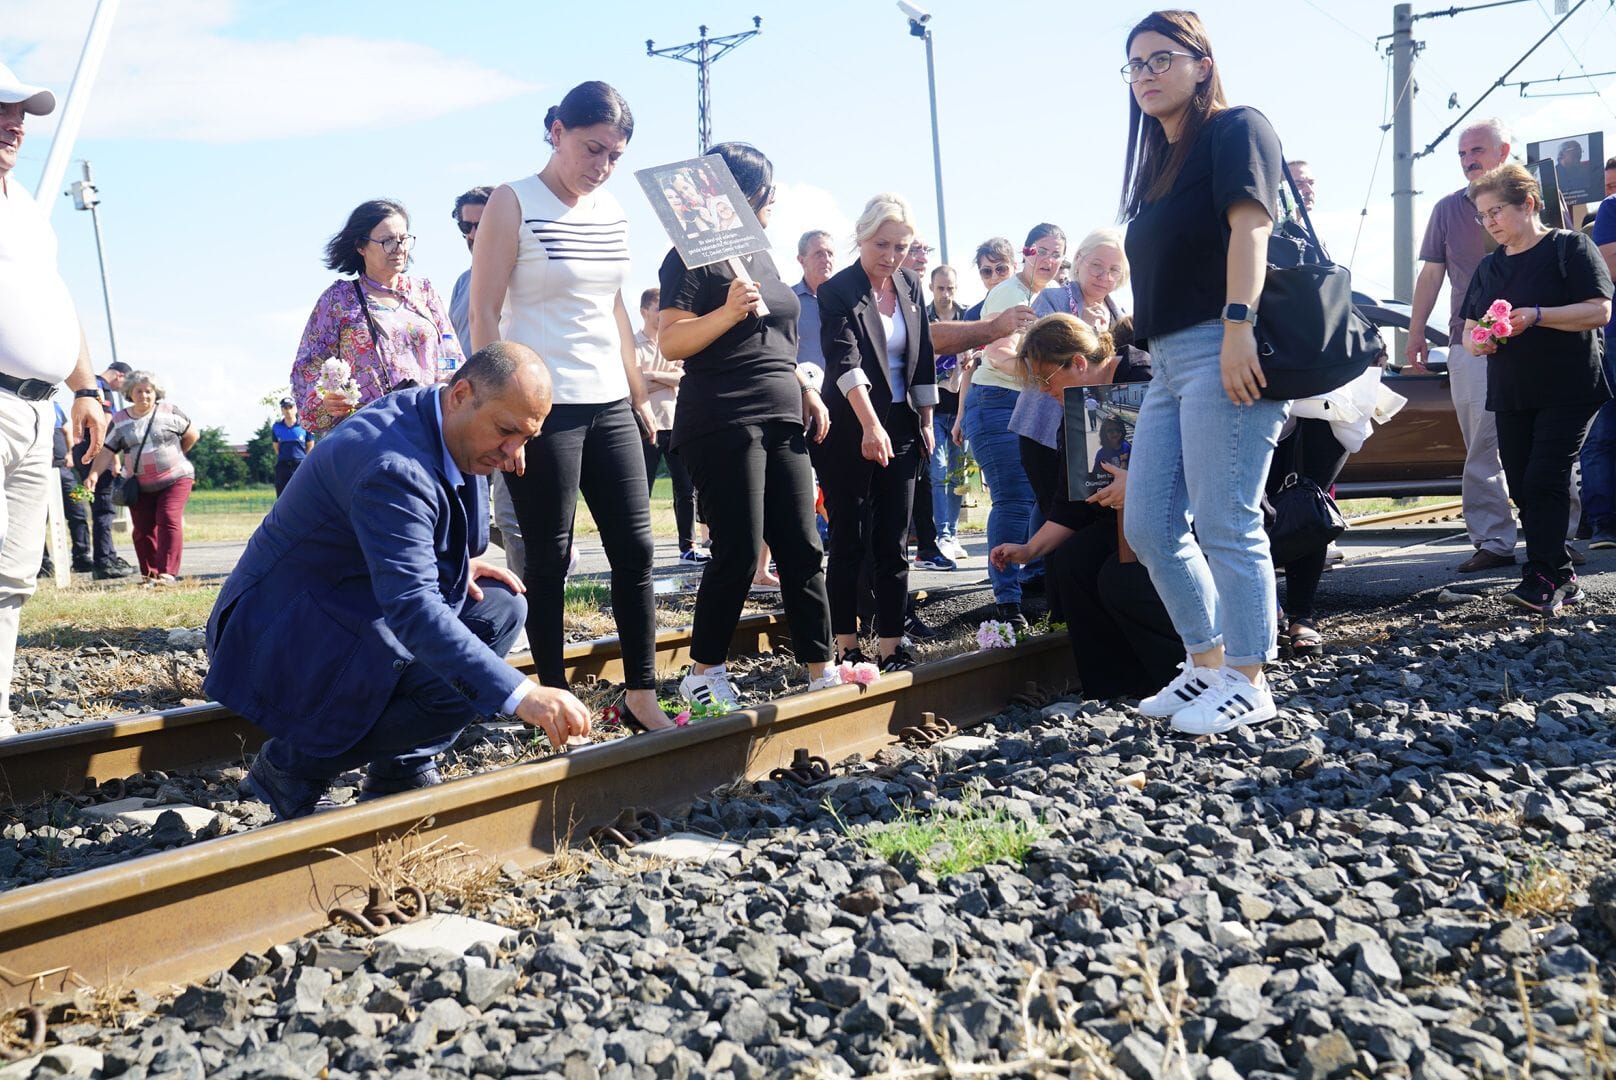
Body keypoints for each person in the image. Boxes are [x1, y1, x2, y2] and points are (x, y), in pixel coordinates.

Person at [205, 345, 591, 820]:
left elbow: (451, 543)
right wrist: (522, 694)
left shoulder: (448, 427)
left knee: (501, 608)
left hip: (347, 607)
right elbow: (413, 609)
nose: (515, 455)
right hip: (287, 638)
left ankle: (401, 769)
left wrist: (445, 561)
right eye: (507, 431)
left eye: (527, 437)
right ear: (461, 395)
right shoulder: (393, 463)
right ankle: (293, 767)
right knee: (463, 674)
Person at [469, 81, 670, 733]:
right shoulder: (512, 201)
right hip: (542, 407)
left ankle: (641, 694)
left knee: (635, 549)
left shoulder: (612, 211)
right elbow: (484, 309)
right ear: (556, 131)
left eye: (614, 154)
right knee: (548, 558)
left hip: (609, 396)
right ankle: (555, 700)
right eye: (592, 148)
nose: (602, 164)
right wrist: (501, 413)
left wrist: (639, 394)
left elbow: (613, 305)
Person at [1118, 9, 1289, 735]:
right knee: (1150, 525)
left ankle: (1250, 680)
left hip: (1224, 344)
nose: (1147, 75)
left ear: (1201, 63)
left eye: (1162, 59)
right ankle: (1208, 663)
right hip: (1167, 363)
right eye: (1135, 65)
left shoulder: (1235, 128)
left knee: (1227, 519)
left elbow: (1252, 227)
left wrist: (1237, 326)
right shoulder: (1158, 163)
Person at [658, 143, 837, 707]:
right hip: (723, 415)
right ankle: (703, 672)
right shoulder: (688, 257)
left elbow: (777, 339)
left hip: (782, 409)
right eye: (766, 191)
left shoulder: (758, 254)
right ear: (741, 194)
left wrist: (806, 387)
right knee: (737, 548)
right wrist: (727, 311)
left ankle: (821, 667)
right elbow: (671, 340)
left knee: (802, 546)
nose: (773, 200)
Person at [0, 62, 108, 740]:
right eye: (0, 110)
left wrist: (86, 389)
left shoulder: (30, 214)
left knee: (12, 576)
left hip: (36, 412)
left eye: (20, 114)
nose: (14, 124)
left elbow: (57, 305)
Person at [991, 314, 1180, 698]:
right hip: (1126, 520)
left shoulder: (1147, 375)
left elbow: (1191, 448)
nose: (1043, 392)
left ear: (1078, 363)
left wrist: (1141, 483)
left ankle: (1177, 677)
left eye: (1045, 380)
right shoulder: (1079, 406)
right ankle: (1111, 690)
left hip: (1180, 512)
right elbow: (1071, 504)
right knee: (1072, 561)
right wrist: (1029, 550)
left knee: (1121, 579)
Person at [1461, 163, 1613, 614]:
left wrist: (1536, 315)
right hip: (1511, 391)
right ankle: (1562, 574)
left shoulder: (1571, 247)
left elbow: (1599, 311)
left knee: (1545, 478)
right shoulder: (1489, 267)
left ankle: (1541, 577)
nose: (1490, 222)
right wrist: (1483, 339)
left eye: (1497, 211)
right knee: (1525, 487)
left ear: (1528, 204)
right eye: (1483, 215)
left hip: (1570, 387)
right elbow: (1469, 332)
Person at [813, 193, 937, 672]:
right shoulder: (838, 290)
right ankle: (846, 641)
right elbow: (844, 362)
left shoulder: (909, 285)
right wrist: (869, 424)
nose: (891, 256)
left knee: (893, 540)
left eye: (901, 247)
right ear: (861, 238)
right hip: (851, 427)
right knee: (848, 537)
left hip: (902, 425)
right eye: (881, 244)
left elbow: (921, 355)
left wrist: (925, 421)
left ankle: (890, 641)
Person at [1407, 120, 1524, 573]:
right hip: (1469, 341)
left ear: (1503, 151)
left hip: (1538, 335)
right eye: (1461, 153)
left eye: (1477, 149)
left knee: (1543, 439)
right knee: (1481, 444)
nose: (1468, 159)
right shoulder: (1446, 209)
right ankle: (1494, 540)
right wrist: (1416, 332)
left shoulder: (1533, 197)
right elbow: (1431, 274)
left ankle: (1562, 535)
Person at [963, 225, 1067, 628]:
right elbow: (997, 350)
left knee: (1044, 491)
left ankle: (1032, 575)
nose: (1048, 260)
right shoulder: (1010, 291)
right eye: (1041, 251)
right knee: (1014, 497)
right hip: (997, 401)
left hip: (1031, 402)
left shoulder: (1050, 297)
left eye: (1056, 254)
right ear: (1026, 252)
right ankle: (1008, 599)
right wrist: (1043, 373)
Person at [292, 199, 462, 437]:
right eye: (387, 241)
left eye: (404, 239)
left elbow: (451, 354)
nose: (399, 248)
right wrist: (326, 400)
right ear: (361, 246)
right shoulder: (338, 299)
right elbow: (307, 367)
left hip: (428, 427)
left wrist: (449, 396)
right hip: (368, 433)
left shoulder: (425, 292)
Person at [1018, 228, 1131, 524]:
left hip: (1092, 435)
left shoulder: (1119, 314)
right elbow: (1033, 358)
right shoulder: (1053, 299)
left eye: (1113, 270)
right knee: (1050, 507)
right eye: (1097, 265)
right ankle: (1032, 570)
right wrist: (1084, 326)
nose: (1104, 275)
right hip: (1045, 429)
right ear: (1079, 260)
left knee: (1075, 514)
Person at [83, 371, 197, 585]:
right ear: (129, 393)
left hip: (175, 478)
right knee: (142, 530)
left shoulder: (170, 411)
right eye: (139, 391)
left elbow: (192, 434)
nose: (144, 395)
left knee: (168, 518)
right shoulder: (120, 420)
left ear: (156, 393)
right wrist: (94, 474)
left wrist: (176, 455)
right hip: (139, 485)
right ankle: (150, 574)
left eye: (149, 391)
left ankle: (167, 573)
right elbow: (108, 451)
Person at [635, 286, 702, 564]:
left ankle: (688, 546)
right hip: (645, 425)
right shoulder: (632, 344)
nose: (662, 313)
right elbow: (632, 385)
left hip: (677, 423)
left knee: (686, 490)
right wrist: (667, 376)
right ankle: (639, 550)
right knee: (642, 491)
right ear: (644, 311)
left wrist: (650, 375)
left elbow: (685, 376)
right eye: (657, 307)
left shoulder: (672, 341)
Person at [70, 360, 135, 578]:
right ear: (120, 375)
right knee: (104, 508)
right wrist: (113, 456)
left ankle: (107, 554)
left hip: (84, 450)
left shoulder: (90, 385)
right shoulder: (101, 386)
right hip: (98, 450)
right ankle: (104, 560)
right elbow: (105, 423)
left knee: (100, 506)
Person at [925, 264, 969, 563]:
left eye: (950, 288)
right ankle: (942, 534)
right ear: (931, 288)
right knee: (937, 471)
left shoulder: (967, 317)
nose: (945, 294)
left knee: (958, 474)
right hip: (932, 406)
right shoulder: (923, 317)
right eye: (940, 288)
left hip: (960, 406)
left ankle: (952, 533)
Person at [1582, 176, 1616, 548]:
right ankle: (1603, 522)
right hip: (1612, 336)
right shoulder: (1612, 207)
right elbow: (1610, 266)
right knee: (1602, 432)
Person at [793, 230, 836, 390]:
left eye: (830, 254)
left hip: (844, 396)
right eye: (819, 254)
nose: (826, 260)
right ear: (801, 260)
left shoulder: (849, 301)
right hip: (804, 394)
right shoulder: (789, 302)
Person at [271, 397, 312, 496]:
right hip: (283, 465)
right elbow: (276, 446)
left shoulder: (304, 425)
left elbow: (310, 446)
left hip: (300, 465)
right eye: (285, 408)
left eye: (290, 407)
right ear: (282, 410)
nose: (288, 410)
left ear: (295, 408)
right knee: (282, 495)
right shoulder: (276, 427)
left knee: (302, 494)